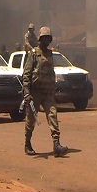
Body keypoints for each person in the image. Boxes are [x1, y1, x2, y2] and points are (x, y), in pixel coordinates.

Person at [22, 26, 68, 157]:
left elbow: (51, 73)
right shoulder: (34, 54)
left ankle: (56, 145)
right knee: (30, 120)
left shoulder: (50, 54)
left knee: (53, 116)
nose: (47, 41)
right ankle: (27, 143)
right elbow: (26, 73)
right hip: (35, 93)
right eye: (45, 39)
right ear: (40, 39)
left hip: (48, 92)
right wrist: (26, 92)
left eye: (49, 38)